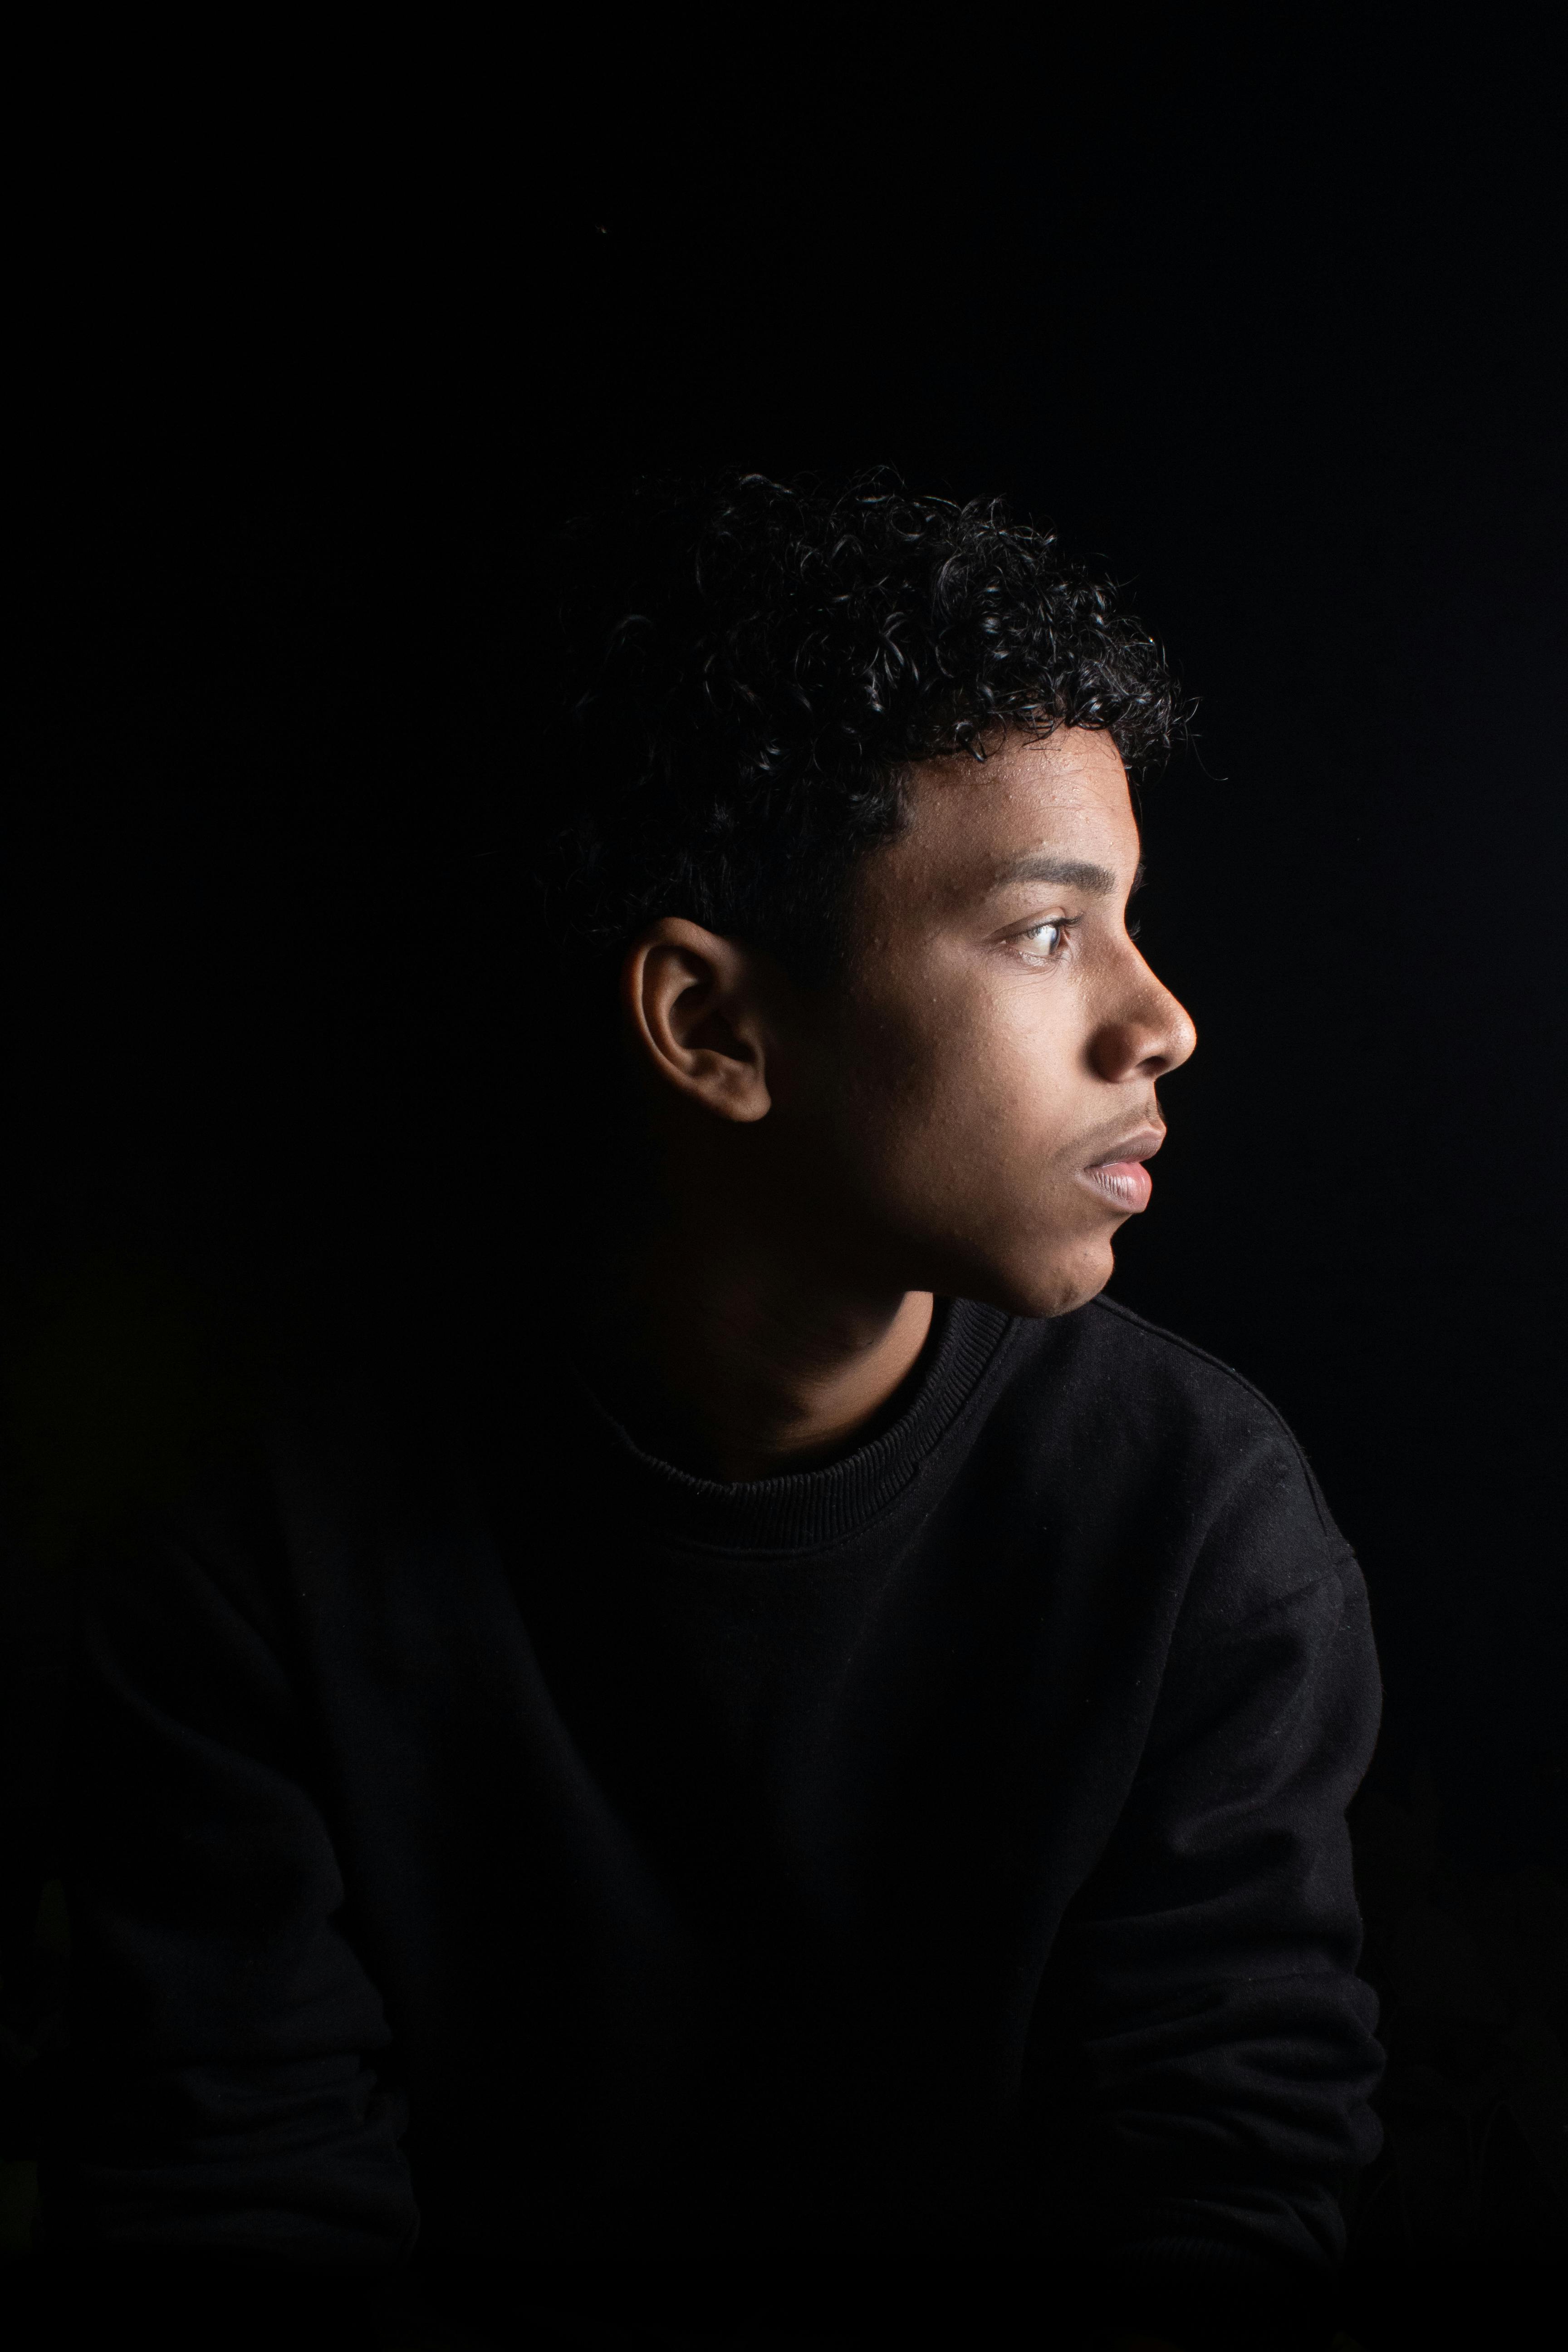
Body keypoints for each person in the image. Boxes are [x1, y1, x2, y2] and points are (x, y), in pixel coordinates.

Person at [33, 472, 1384, 2350]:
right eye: (1043, 933)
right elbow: (226, 2185)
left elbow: (1225, 2171)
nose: (1161, 1022)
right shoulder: (262, 1542)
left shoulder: (1199, 1526)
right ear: (711, 1027)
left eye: (1132, 924)